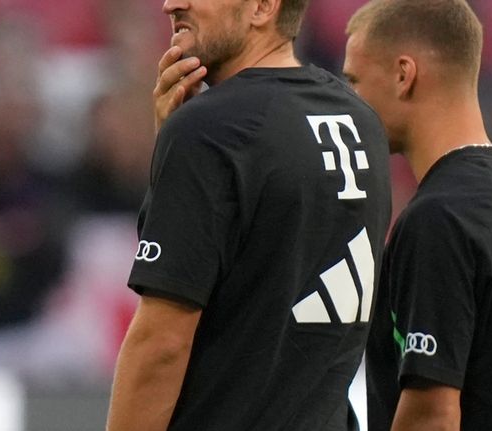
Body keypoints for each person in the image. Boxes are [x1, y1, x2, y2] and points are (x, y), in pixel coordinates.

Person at [106, 0, 392, 430]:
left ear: (262, 7)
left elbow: (162, 343)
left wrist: (183, 144)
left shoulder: (211, 130)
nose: (170, 4)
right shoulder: (362, 122)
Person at [342, 1, 492, 430]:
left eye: (354, 81)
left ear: (403, 74)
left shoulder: (441, 217)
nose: (349, 102)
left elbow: (431, 416)